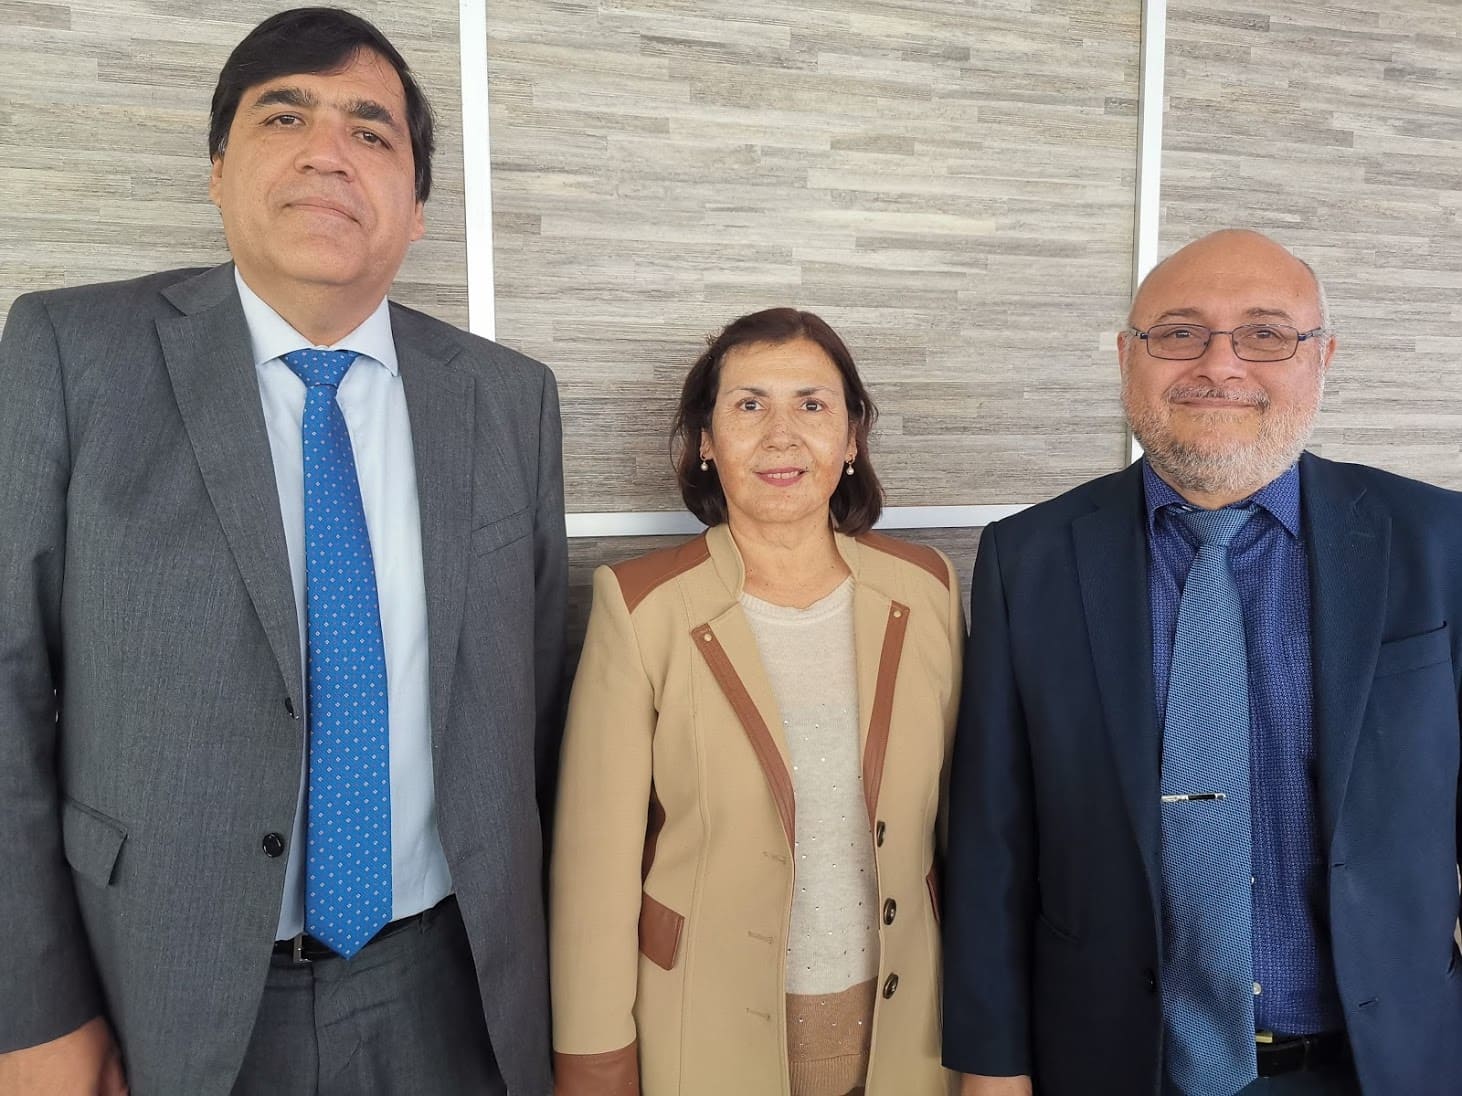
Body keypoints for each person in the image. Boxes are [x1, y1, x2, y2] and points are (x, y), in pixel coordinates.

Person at [0, 8, 566, 1094]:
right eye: (285, 116)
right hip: (164, 983)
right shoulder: (72, 356)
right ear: (218, 170)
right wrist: (32, 1015)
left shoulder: (509, 400)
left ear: (417, 207)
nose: (327, 153)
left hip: (450, 985)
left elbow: (532, 703)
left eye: (371, 130)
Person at [941, 228, 1462, 1096]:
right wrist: (992, 1067)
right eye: (1179, 333)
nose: (1219, 366)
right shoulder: (1027, 558)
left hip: (1387, 1064)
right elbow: (994, 834)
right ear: (1127, 358)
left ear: (1323, 357)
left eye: (1266, 334)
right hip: (1115, 1063)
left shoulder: (1439, 541)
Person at [549, 308, 963, 1095]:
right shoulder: (640, 607)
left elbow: (970, 835)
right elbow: (592, 875)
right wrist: (594, 1067)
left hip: (913, 1041)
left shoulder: (927, 589)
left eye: (812, 404)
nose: (781, 435)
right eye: (749, 405)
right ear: (706, 440)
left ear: (851, 436)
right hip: (703, 1040)